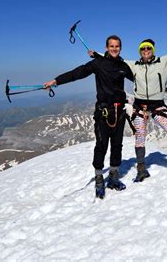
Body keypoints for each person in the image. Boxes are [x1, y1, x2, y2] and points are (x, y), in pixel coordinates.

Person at [91, 27, 167, 181]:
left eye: (148, 48)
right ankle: (141, 168)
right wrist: (97, 55)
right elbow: (116, 60)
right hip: (140, 107)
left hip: (157, 107)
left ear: (153, 50)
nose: (146, 50)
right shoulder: (134, 65)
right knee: (140, 135)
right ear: (140, 51)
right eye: (143, 48)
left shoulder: (164, 62)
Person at [44, 35, 133, 199]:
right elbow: (77, 73)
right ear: (106, 48)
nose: (114, 48)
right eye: (111, 46)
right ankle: (99, 179)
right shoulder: (98, 64)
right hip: (103, 112)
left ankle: (113, 176)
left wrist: (160, 87)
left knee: (117, 145)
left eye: (117, 46)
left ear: (120, 48)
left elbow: (140, 78)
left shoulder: (123, 66)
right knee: (101, 145)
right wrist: (56, 81)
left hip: (119, 112)